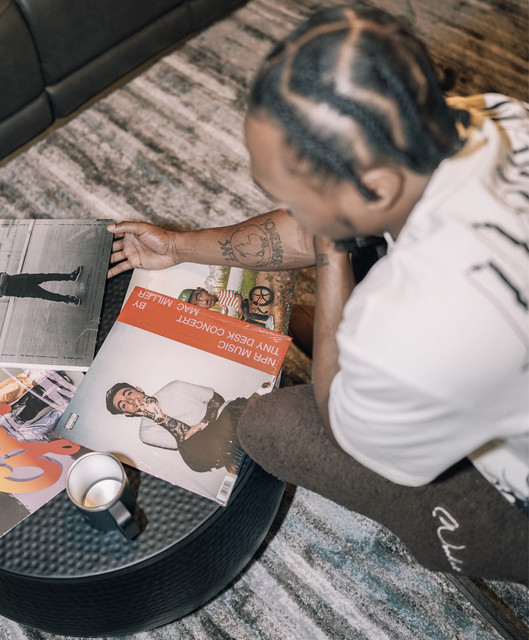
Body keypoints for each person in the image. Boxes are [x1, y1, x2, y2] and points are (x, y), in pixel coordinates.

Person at [106, 6, 528, 582]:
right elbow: (310, 228)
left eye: (296, 198)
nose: (289, 211)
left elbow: (344, 426)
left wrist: (333, 252)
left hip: (510, 492)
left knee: (269, 429)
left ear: (375, 187)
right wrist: (181, 247)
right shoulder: (496, 118)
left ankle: (457, 534)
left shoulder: (412, 326)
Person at [105, 380, 248, 474]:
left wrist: (204, 422)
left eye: (129, 393)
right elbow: (187, 442)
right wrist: (160, 418)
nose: (130, 400)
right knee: (195, 459)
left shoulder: (174, 387)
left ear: (138, 389)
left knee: (238, 407)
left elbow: (216, 399)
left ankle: (232, 447)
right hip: (207, 444)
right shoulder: (146, 434)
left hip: (224, 418)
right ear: (127, 413)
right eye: (124, 404)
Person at [0, 266, 82, 304]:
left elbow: (4, 275)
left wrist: (3, 285)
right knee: (47, 295)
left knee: (47, 276)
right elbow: (1, 293)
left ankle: (71, 276)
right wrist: (3, 281)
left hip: (24, 278)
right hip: (22, 290)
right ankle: (69, 299)